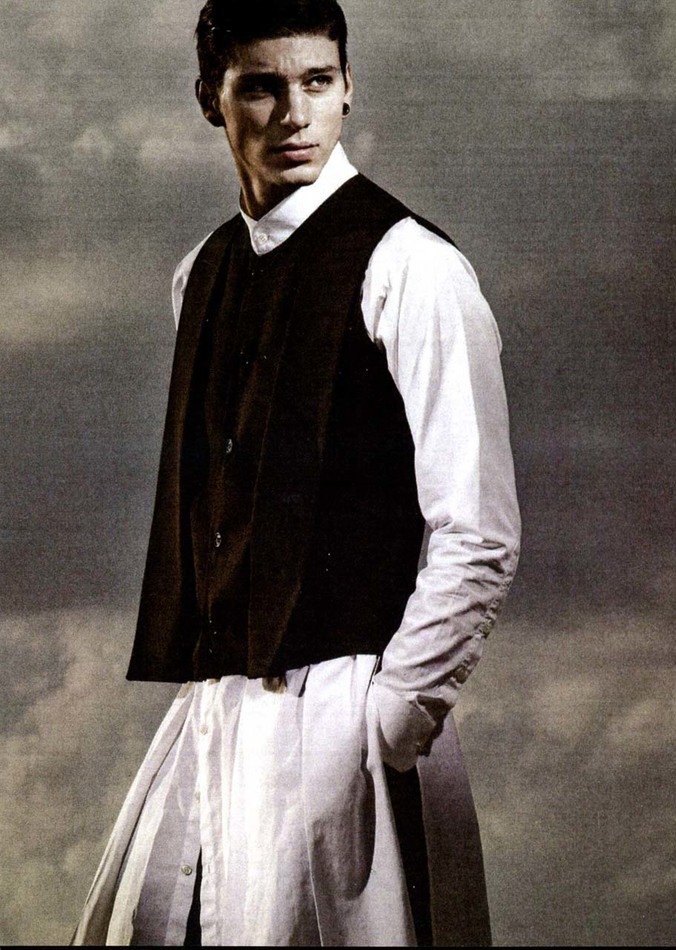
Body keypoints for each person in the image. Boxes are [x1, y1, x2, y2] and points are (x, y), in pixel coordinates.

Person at [72, 0, 520, 946]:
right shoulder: (200, 273)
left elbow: (478, 530)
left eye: (317, 82)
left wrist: (395, 718)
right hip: (215, 713)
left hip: (346, 715)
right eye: (261, 88)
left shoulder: (413, 268)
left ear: (348, 87)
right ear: (211, 98)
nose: (294, 114)